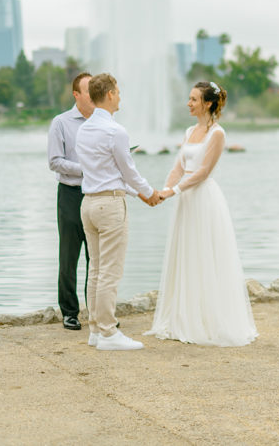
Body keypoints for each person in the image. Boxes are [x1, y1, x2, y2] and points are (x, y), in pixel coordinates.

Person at [146, 81, 257, 347]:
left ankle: (207, 320)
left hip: (204, 199)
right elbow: (179, 167)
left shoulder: (217, 134)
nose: (189, 103)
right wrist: (163, 190)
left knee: (206, 255)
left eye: (194, 99)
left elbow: (203, 172)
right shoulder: (188, 131)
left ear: (207, 103)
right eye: (189, 98)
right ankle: (183, 316)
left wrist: (174, 191)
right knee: (186, 254)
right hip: (186, 200)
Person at [75, 73, 161, 351]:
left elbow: (114, 173)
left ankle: (95, 331)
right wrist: (148, 193)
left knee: (96, 271)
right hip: (110, 205)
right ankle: (109, 333)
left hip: (88, 203)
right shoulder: (115, 131)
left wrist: (140, 193)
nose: (121, 97)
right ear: (110, 94)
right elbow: (128, 172)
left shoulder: (84, 129)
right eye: (119, 92)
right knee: (110, 272)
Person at [47, 72, 94, 331]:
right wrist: (86, 169)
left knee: (97, 257)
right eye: (89, 90)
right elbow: (54, 161)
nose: (94, 95)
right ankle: (69, 312)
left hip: (98, 194)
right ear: (76, 95)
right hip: (71, 194)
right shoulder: (61, 122)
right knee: (69, 256)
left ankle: (97, 310)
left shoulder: (104, 122)